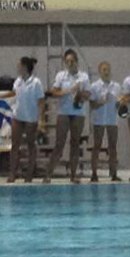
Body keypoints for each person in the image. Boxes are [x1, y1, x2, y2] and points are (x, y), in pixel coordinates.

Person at [47, 49, 91, 184]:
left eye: (72, 61)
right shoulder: (61, 76)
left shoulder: (84, 77)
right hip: (64, 112)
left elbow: (88, 95)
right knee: (59, 144)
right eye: (67, 61)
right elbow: (54, 92)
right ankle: (48, 174)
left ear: (76, 61)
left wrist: (80, 93)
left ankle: (73, 175)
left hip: (78, 112)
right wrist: (68, 91)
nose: (70, 64)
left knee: (75, 143)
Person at [6, 57, 46, 183]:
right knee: (15, 146)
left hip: (30, 118)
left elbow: (41, 102)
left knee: (31, 146)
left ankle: (29, 175)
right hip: (18, 116)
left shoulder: (36, 83)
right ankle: (12, 173)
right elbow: (13, 95)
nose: (17, 67)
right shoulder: (17, 81)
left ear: (24, 67)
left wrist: (41, 120)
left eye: (19, 65)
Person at [89, 62, 122, 182]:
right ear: (100, 72)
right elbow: (92, 105)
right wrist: (102, 101)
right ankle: (94, 173)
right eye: (104, 70)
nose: (106, 72)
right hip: (99, 119)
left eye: (108, 69)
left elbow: (119, 104)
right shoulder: (94, 86)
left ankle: (113, 173)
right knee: (97, 146)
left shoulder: (116, 86)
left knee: (113, 147)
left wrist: (119, 103)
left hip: (112, 119)